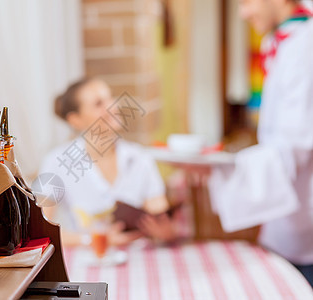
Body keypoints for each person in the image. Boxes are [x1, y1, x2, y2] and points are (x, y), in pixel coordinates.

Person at [208, 0, 313, 286]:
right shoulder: (282, 41)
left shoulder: (305, 49)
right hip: (287, 220)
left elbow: (295, 145)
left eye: (246, 2)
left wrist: (223, 171)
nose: (242, 13)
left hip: (305, 221)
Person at [39, 78, 177, 246]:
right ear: (75, 120)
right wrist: (95, 240)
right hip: (87, 263)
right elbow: (41, 232)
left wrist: (166, 232)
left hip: (140, 259)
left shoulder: (140, 158)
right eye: (98, 104)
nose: (113, 107)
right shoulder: (56, 162)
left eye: (110, 98)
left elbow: (162, 218)